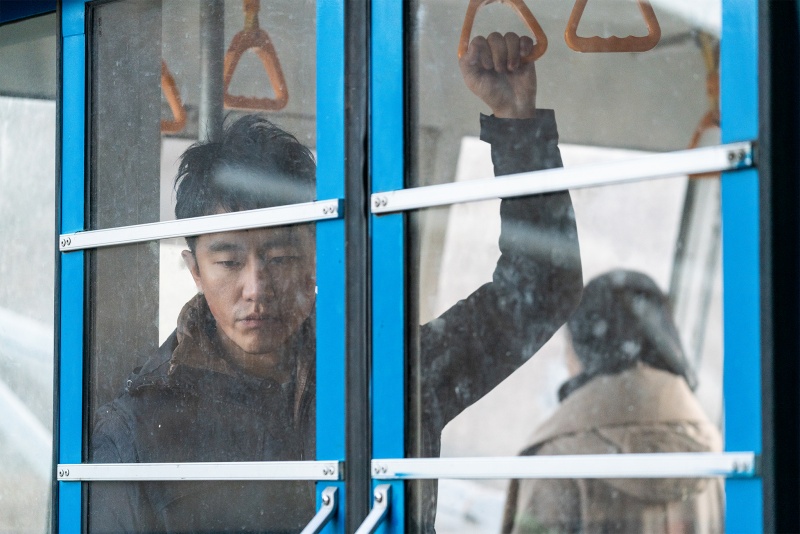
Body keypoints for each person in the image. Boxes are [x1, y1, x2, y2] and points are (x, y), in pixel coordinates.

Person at [89, 32, 582, 533]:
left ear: (317, 261)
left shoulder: (383, 374)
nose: (257, 287)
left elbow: (542, 289)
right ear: (195, 270)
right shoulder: (139, 430)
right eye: (229, 262)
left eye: (281, 257)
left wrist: (517, 125)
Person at [501, 270, 724, 534]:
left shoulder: (557, 461)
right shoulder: (718, 458)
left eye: (568, 347)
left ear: (583, 351)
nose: (565, 362)